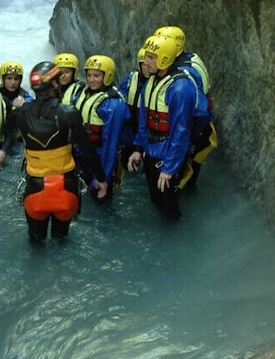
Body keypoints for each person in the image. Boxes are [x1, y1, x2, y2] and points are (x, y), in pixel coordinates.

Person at [6, 61, 108, 242]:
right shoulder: (69, 113)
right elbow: (88, 151)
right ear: (54, 84)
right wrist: (101, 179)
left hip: (35, 188)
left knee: (36, 240)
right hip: (65, 187)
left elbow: (10, 135)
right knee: (61, 240)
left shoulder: (20, 114)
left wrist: (16, 107)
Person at [127, 35, 199, 219]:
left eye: (151, 57)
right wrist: (137, 148)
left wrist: (169, 167)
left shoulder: (180, 88)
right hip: (151, 150)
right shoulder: (151, 82)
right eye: (146, 56)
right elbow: (144, 120)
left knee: (169, 208)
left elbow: (180, 132)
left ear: (165, 58)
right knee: (155, 198)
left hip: (168, 153)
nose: (145, 62)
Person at [154, 25, 218, 187]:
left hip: (195, 131)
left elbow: (199, 112)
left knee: (182, 179)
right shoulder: (190, 58)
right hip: (197, 127)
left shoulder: (185, 73)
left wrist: (187, 138)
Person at [71, 54, 131, 199]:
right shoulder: (82, 94)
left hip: (99, 158)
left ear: (107, 76)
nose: (91, 79)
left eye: (96, 76)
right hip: (81, 155)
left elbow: (111, 143)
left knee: (100, 199)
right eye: (89, 75)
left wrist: (102, 176)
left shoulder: (113, 104)